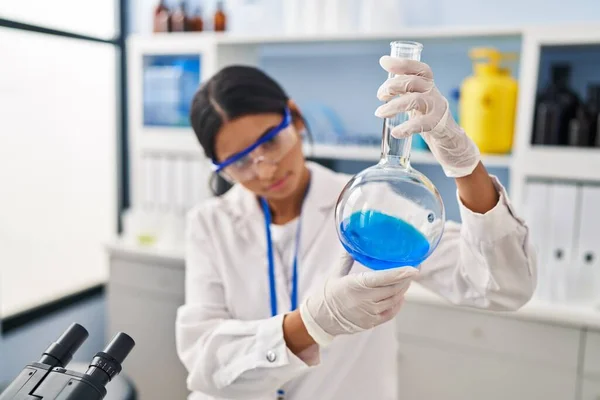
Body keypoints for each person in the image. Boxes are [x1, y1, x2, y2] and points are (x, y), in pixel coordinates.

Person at [175, 56, 537, 400]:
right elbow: (205, 360)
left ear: (296, 119)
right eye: (240, 163)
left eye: (271, 141)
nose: (266, 169)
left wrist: (464, 164)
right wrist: (315, 322)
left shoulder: (368, 204)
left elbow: (502, 286)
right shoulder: (210, 223)